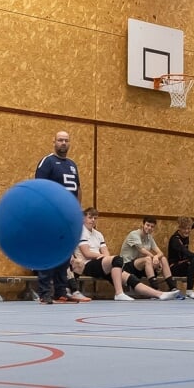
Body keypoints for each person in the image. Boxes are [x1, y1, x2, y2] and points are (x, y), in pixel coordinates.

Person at [74, 207, 169, 301]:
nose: (93, 220)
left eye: (95, 218)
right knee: (117, 259)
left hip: (101, 265)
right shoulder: (80, 232)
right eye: (90, 218)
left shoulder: (98, 234)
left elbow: (106, 252)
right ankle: (119, 293)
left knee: (130, 278)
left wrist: (105, 258)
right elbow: (87, 253)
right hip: (86, 265)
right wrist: (103, 257)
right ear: (84, 218)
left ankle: (159, 294)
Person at [32, 130, 79, 304]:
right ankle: (44, 293)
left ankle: (61, 291)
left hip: (68, 217)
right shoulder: (47, 162)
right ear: (54, 142)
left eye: (66, 140)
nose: (63, 143)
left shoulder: (73, 165)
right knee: (49, 252)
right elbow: (39, 188)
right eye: (60, 140)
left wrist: (76, 211)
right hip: (51, 215)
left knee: (64, 254)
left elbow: (77, 190)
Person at [122, 217, 173, 289]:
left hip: (141, 267)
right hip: (127, 266)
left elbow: (160, 252)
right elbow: (142, 250)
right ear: (143, 224)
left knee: (163, 259)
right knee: (148, 259)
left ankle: (172, 287)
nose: (149, 228)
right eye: (147, 225)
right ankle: (155, 289)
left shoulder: (149, 237)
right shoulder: (134, 234)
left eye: (152, 227)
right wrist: (154, 258)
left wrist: (156, 257)